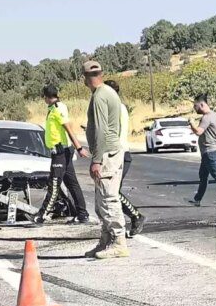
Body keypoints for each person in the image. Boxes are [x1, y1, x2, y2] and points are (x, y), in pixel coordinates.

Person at [83, 61, 129, 259]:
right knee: (101, 201)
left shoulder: (101, 96)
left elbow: (102, 129)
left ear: (85, 77)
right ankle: (106, 240)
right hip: (110, 151)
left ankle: (118, 242)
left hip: (107, 154)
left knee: (108, 199)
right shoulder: (108, 93)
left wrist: (96, 159)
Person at [33, 85, 90, 224]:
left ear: (46, 97)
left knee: (54, 183)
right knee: (71, 183)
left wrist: (79, 147)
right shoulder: (52, 108)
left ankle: (42, 215)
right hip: (59, 151)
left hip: (61, 152)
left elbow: (68, 129)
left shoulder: (58, 109)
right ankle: (82, 213)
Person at [104, 80, 146, 237]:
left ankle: (136, 216)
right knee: (112, 191)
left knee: (113, 191)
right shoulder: (116, 107)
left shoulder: (116, 108)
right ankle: (127, 219)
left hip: (119, 153)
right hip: (118, 152)